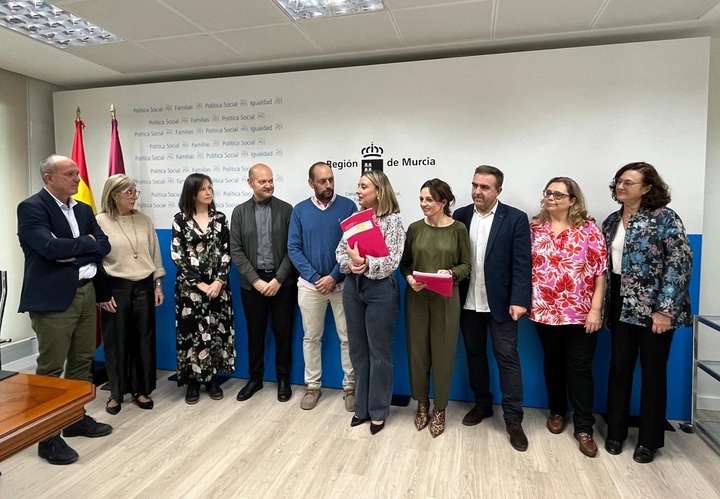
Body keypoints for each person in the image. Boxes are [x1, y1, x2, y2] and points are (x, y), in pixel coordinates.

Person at [17, 154, 113, 465]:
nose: (77, 179)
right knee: (50, 369)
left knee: (82, 361)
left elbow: (103, 245)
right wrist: (83, 246)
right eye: (70, 174)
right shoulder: (32, 208)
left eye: (76, 173)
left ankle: (73, 419)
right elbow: (48, 248)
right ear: (49, 178)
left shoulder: (83, 209)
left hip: (85, 293)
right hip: (53, 299)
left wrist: (75, 250)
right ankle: (46, 438)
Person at [602, 162, 692, 464]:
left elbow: (679, 265)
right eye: (619, 181)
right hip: (620, 306)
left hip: (654, 310)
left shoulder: (665, 218)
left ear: (647, 188)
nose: (621, 186)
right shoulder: (611, 221)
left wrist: (665, 311)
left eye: (629, 182)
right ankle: (615, 433)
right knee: (619, 368)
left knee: (653, 374)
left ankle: (649, 441)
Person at [453, 165, 532, 452]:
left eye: (484, 187)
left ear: (498, 190)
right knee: (474, 354)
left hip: (502, 303)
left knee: (507, 359)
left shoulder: (515, 219)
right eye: (474, 185)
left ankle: (513, 419)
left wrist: (520, 299)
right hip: (467, 302)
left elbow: (522, 263)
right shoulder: (460, 216)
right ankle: (482, 404)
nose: (477, 191)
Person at [528, 177, 607, 458]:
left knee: (580, 368)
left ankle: (584, 426)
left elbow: (600, 274)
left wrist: (596, 310)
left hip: (581, 313)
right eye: (548, 193)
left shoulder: (588, 230)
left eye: (558, 195)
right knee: (553, 363)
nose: (551, 198)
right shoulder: (534, 229)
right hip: (544, 311)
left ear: (573, 200)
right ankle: (557, 411)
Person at [400, 179, 471, 437]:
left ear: (443, 202)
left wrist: (451, 273)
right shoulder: (414, 228)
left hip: (446, 299)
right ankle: (422, 403)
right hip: (416, 298)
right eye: (421, 199)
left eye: (429, 200)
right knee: (417, 353)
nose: (423, 204)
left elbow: (466, 265)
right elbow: (405, 264)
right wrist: (408, 278)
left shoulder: (459, 229)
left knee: (443, 355)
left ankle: (440, 408)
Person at [336, 170, 404, 435]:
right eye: (358, 186)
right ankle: (361, 409)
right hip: (353, 288)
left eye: (364, 186)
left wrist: (365, 263)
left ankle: (378, 411)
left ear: (379, 191)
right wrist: (351, 263)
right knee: (358, 351)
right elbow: (340, 253)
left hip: (380, 291)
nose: (359, 191)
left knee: (379, 353)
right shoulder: (354, 219)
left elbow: (392, 261)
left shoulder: (393, 222)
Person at [288, 162, 357, 411]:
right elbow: (293, 249)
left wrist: (334, 276)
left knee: (348, 338)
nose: (328, 185)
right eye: (322, 181)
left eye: (331, 180)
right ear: (311, 183)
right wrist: (317, 277)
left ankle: (350, 387)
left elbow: (354, 246)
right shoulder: (300, 211)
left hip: (341, 285)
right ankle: (312, 386)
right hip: (310, 286)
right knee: (311, 337)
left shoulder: (348, 207)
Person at [96, 174, 166, 415]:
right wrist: (102, 294)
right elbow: (96, 260)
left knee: (143, 339)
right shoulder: (100, 222)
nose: (134, 197)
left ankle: (140, 389)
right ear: (115, 196)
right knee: (116, 340)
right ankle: (116, 392)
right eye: (129, 193)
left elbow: (154, 252)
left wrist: (158, 284)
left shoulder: (144, 220)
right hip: (115, 287)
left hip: (144, 285)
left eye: (135, 192)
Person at [230, 163, 297, 402]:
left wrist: (279, 279)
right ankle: (255, 379)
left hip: (283, 284)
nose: (268, 185)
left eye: (270, 180)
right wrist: (256, 281)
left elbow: (292, 248)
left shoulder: (286, 210)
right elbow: (236, 250)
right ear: (250, 183)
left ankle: (283, 380)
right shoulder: (239, 212)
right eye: (262, 182)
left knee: (283, 333)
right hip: (252, 284)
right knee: (255, 333)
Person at [171, 173, 235, 404]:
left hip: (218, 288)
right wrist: (201, 284)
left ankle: (212, 379)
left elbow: (227, 254)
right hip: (191, 291)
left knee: (215, 332)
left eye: (211, 188)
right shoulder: (180, 220)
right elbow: (178, 256)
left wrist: (217, 282)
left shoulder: (220, 218)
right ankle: (193, 382)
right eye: (203, 189)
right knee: (192, 335)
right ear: (192, 193)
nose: (209, 192)